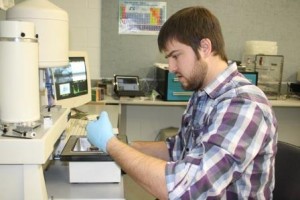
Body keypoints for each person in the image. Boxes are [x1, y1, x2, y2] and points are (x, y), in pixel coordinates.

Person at [87, 6, 278, 200]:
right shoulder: (202, 93)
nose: (171, 67)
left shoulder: (244, 105)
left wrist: (111, 145)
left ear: (205, 47)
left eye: (176, 56)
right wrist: (124, 145)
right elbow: (177, 149)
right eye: (168, 58)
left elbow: (188, 189)